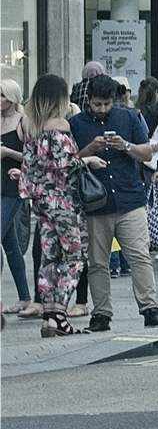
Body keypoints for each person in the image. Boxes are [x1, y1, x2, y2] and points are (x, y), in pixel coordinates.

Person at [68, 73, 158, 329]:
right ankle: (101, 314)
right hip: (96, 203)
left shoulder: (129, 117)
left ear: (114, 100)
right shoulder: (76, 123)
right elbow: (68, 160)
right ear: (88, 100)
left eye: (107, 104)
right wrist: (89, 149)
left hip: (129, 198)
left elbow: (146, 152)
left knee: (139, 256)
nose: (102, 109)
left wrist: (125, 146)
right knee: (98, 262)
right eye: (97, 104)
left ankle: (150, 308)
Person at [20, 75, 104, 337]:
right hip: (64, 204)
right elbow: (64, 164)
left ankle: (49, 315)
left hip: (42, 204)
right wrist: (88, 160)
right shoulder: (60, 128)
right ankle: (59, 314)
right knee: (76, 258)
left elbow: (30, 169)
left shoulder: (32, 128)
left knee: (50, 258)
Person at [0, 79, 32, 317]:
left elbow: (34, 157)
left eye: (2, 95)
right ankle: (24, 298)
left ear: (12, 97)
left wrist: (8, 152)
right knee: (11, 246)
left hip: (13, 187)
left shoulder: (23, 122)